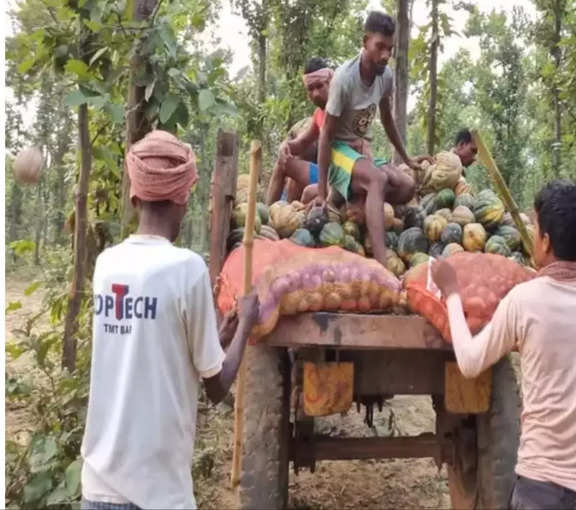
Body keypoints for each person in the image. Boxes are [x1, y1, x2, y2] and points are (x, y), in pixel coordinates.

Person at [80, 130, 258, 510]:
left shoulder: (106, 265)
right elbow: (216, 387)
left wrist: (218, 338)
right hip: (158, 495)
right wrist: (245, 325)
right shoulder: (187, 269)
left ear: (134, 195)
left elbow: (154, 349)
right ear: (182, 197)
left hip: (97, 490)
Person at [432, 179, 576, 510]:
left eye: (535, 228)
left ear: (546, 242)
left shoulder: (524, 301)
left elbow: (469, 361)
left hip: (540, 489)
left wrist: (451, 292)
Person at [315, 11, 429, 267]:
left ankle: (359, 201)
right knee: (377, 179)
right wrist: (321, 192)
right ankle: (381, 264)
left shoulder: (385, 77)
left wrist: (407, 158)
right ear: (365, 41)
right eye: (380, 47)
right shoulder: (344, 80)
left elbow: (387, 120)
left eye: (390, 49)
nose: (385, 55)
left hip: (360, 153)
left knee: (407, 186)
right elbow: (325, 138)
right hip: (338, 152)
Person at [266, 57, 333, 205]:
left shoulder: (338, 110)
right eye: (310, 89)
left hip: (339, 179)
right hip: (325, 176)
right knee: (283, 161)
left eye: (319, 86)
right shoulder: (318, 114)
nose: (315, 94)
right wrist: (286, 146)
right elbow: (302, 142)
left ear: (330, 83)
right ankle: (268, 214)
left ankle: (275, 214)